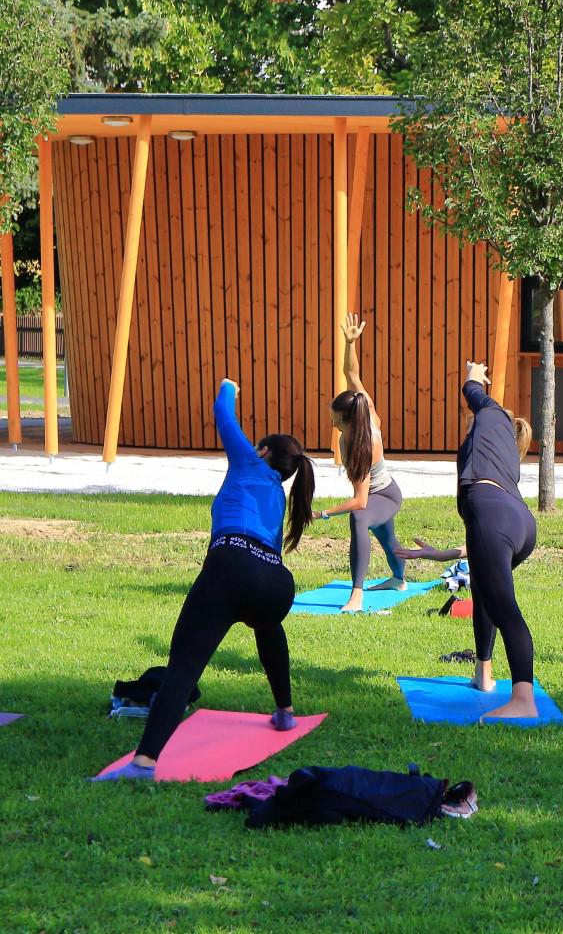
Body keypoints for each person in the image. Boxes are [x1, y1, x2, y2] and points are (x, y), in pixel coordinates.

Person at [94, 379, 316, 780]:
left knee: (183, 668)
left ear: (263, 451)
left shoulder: (249, 462)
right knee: (267, 625)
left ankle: (143, 764)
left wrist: (229, 387)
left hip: (232, 569)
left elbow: (223, 416)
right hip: (276, 585)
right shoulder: (280, 494)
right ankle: (285, 711)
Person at [395, 362, 538, 721]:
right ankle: (483, 676)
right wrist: (439, 554)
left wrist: (474, 373)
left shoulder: (493, 416)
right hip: (515, 524)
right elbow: (484, 544)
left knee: (504, 607)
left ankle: (524, 701)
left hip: (495, 517)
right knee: (485, 592)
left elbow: (472, 391)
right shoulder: (498, 452)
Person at [320, 313, 409, 612]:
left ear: (349, 421)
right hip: (375, 495)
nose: (333, 425)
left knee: (359, 518)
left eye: (336, 421)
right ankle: (399, 579)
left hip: (384, 494)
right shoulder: (363, 406)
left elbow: (360, 501)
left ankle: (356, 595)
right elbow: (351, 372)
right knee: (387, 537)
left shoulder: (364, 444)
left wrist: (322, 513)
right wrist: (350, 344)